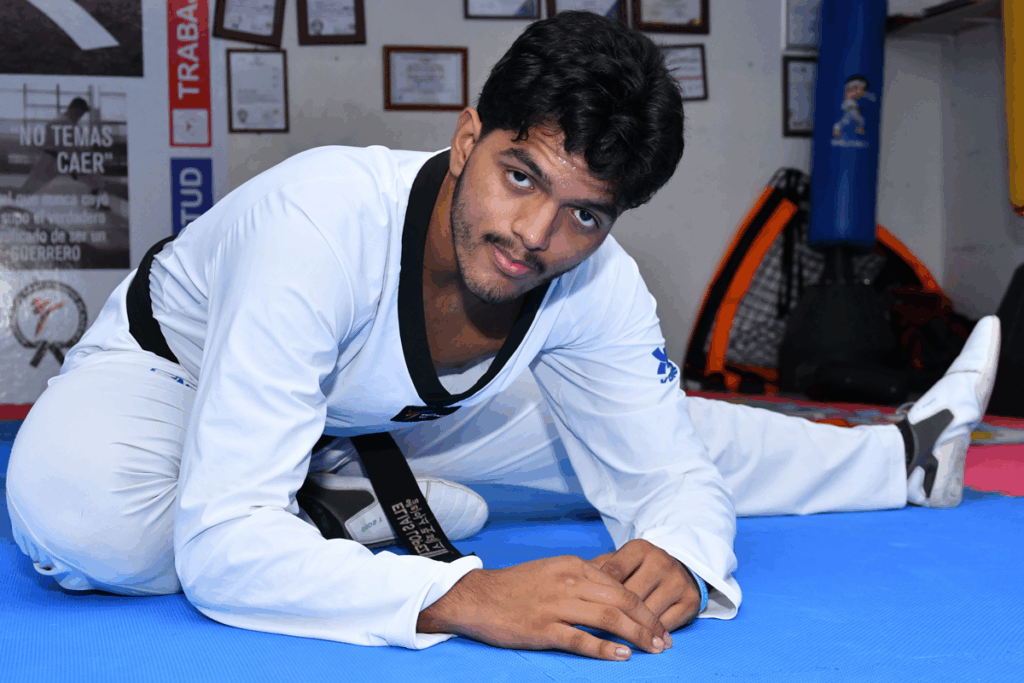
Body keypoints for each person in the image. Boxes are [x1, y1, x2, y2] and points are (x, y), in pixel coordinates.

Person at [5, 12, 1000, 662]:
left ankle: (905, 455)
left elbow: (665, 468)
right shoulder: (318, 225)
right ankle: (330, 503)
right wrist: (457, 593)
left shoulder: (591, 279)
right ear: (467, 138)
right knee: (83, 520)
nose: (532, 235)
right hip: (169, 381)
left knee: (641, 429)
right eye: (520, 176)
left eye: (584, 212)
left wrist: (681, 551)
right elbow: (221, 550)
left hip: (377, 419)